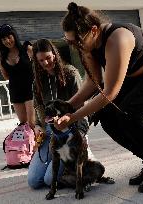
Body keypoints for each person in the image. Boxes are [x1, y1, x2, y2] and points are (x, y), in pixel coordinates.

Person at [54, 2, 143, 193]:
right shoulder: (87, 46)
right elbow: (93, 83)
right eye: (70, 42)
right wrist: (68, 105)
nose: (74, 46)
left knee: (128, 114)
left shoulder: (117, 39)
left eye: (77, 41)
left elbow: (109, 93)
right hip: (136, 78)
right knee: (107, 117)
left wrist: (74, 117)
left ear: (94, 30)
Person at [27, 39, 95, 189]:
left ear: (55, 54)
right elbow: (39, 110)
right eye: (41, 60)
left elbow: (82, 106)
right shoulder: (37, 82)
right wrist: (38, 126)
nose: (45, 63)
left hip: (70, 130)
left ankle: (85, 159)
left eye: (48, 57)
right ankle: (66, 167)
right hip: (50, 134)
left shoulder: (70, 73)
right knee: (34, 181)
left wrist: (80, 134)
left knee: (48, 180)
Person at [0, 24, 35, 128]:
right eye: (4, 39)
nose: (8, 41)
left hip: (31, 89)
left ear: (14, 35)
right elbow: (6, 76)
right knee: (24, 125)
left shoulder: (27, 48)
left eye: (9, 37)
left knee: (32, 123)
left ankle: (39, 143)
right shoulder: (2, 59)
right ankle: (29, 144)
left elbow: (39, 66)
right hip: (16, 92)